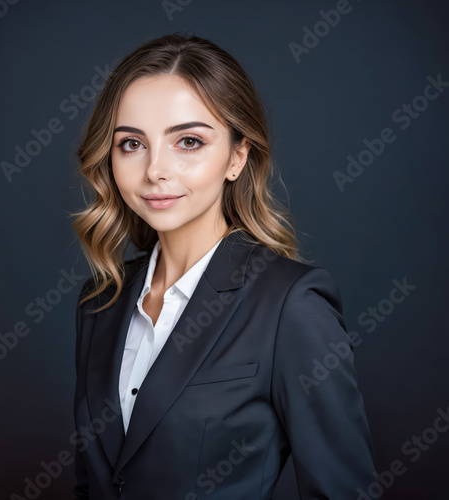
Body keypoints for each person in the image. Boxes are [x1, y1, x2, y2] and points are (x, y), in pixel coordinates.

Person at [70, 32, 379, 499]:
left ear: (237, 156)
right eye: (132, 144)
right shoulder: (100, 301)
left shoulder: (290, 306)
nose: (155, 170)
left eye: (188, 141)